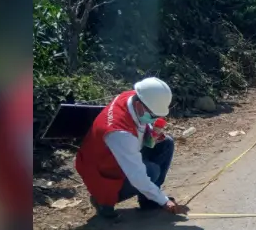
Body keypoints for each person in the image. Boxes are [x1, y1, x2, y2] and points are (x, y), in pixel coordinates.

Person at [75, 77, 188, 219]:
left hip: (118, 155)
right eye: (153, 115)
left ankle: (149, 201)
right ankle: (103, 202)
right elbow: (137, 176)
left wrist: (150, 133)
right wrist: (164, 201)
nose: (154, 119)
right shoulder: (119, 133)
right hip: (102, 173)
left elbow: (138, 128)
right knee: (151, 171)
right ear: (140, 106)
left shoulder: (134, 97)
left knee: (166, 143)